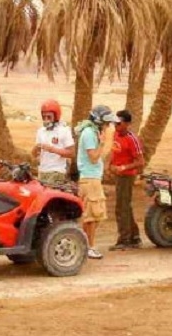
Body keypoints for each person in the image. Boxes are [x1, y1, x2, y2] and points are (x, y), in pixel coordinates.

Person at [75, 104, 118, 260]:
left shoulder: (93, 132)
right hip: (89, 179)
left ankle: (86, 245)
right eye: (107, 123)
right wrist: (103, 141)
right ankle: (89, 247)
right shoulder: (88, 134)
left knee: (95, 215)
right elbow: (93, 158)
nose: (109, 125)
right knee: (92, 216)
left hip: (93, 178)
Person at [109, 110, 145, 251]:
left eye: (119, 123)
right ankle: (134, 237)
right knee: (125, 206)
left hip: (127, 176)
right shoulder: (115, 135)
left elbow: (140, 161)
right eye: (115, 122)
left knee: (121, 207)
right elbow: (114, 152)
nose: (116, 125)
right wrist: (111, 165)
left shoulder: (132, 139)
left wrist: (124, 167)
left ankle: (124, 239)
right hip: (118, 175)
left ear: (127, 124)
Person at [32, 99, 75, 186]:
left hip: (57, 172)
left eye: (49, 117)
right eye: (44, 117)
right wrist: (36, 148)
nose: (46, 120)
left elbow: (71, 153)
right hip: (42, 171)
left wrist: (53, 149)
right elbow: (34, 154)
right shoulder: (41, 131)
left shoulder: (64, 131)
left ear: (56, 117)